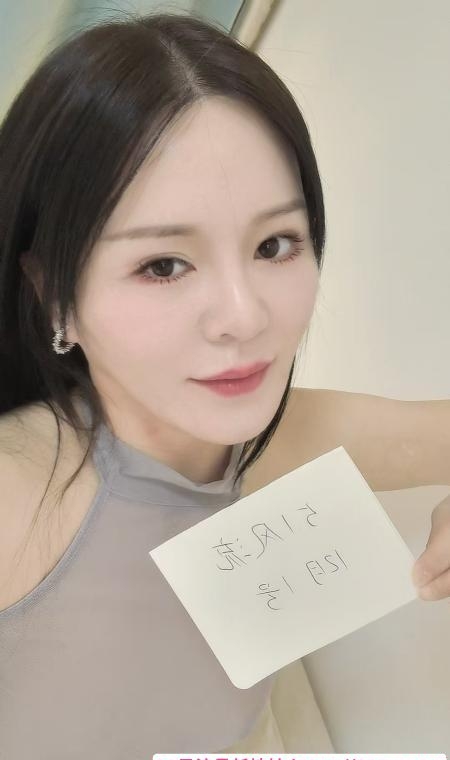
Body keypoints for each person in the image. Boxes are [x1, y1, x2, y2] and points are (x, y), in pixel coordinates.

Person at [0, 10, 448, 757]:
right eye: (163, 265)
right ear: (55, 296)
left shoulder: (281, 443)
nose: (245, 316)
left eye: (275, 245)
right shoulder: (18, 496)